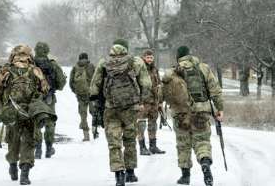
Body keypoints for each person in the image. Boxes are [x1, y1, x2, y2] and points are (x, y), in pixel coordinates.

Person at [90, 39, 151, 186]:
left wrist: (96, 105)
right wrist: (141, 101)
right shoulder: (136, 62)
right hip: (130, 108)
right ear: (126, 48)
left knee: (114, 142)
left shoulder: (104, 62)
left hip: (111, 108)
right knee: (130, 139)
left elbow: (94, 87)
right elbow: (147, 84)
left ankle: (119, 174)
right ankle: (130, 172)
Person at [0, 45, 52, 185]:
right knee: (29, 142)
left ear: (13, 55)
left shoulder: (5, 70)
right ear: (29, 55)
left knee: (13, 140)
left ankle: (13, 165)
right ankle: (25, 173)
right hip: (30, 112)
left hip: (11, 112)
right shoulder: (35, 70)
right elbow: (45, 90)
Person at [162, 46, 224, 186]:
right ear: (189, 55)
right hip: (201, 111)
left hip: (180, 114)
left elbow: (162, 94)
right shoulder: (203, 68)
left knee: (183, 144)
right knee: (202, 141)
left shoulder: (172, 72)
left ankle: (185, 176)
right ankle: (205, 162)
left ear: (178, 57)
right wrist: (220, 109)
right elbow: (215, 91)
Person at [33, 42, 66, 159]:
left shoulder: (30, 64)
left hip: (34, 99)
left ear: (35, 50)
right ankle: (48, 148)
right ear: (47, 51)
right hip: (49, 98)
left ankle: (37, 149)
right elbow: (61, 84)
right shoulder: (53, 65)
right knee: (50, 123)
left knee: (36, 122)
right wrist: (53, 86)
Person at [137, 49, 165, 155]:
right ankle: (142, 147)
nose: (149, 59)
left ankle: (153, 146)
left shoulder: (154, 69)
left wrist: (160, 100)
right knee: (141, 125)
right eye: (147, 57)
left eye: (151, 57)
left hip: (154, 101)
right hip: (143, 102)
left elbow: (159, 84)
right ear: (143, 57)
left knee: (153, 124)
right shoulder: (140, 69)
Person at [69, 52, 96, 141]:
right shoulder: (91, 66)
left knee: (83, 115)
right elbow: (97, 79)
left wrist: (76, 91)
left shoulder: (75, 67)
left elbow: (71, 82)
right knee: (94, 113)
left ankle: (86, 136)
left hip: (81, 95)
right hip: (91, 94)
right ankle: (95, 131)